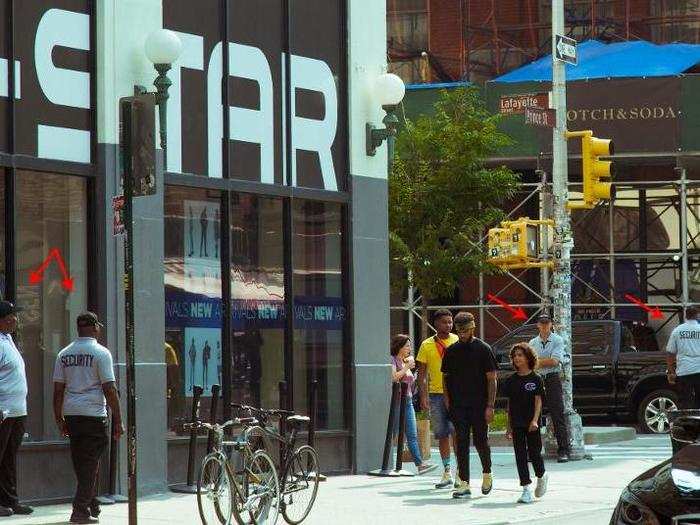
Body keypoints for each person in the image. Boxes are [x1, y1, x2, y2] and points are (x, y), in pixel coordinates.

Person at [53, 312, 124, 524]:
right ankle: (80, 510)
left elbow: (58, 391)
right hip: (93, 415)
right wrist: (118, 420)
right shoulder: (102, 353)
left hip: (73, 414)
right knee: (90, 464)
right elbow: (110, 389)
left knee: (83, 463)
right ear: (94, 328)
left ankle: (91, 503)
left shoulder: (64, 354)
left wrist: (59, 419)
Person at [441, 311, 497, 498]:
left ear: (472, 328)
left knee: (481, 441)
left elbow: (492, 379)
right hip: (458, 405)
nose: (462, 334)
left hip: (479, 404)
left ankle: (487, 473)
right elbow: (445, 377)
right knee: (462, 442)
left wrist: (490, 405)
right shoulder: (451, 351)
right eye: (460, 331)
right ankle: (464, 483)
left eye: (465, 330)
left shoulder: (483, 349)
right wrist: (447, 400)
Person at [416, 309, 459, 488]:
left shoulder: (457, 340)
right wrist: (423, 396)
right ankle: (447, 471)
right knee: (442, 434)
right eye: (444, 322)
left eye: (450, 322)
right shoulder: (426, 345)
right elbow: (422, 374)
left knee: (458, 432)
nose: (448, 325)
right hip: (436, 394)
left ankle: (461, 472)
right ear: (436, 324)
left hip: (457, 393)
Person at [504, 343, 548, 504]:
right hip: (517, 423)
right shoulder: (510, 381)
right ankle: (525, 489)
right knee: (520, 456)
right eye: (514, 355)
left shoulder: (536, 379)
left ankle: (542, 475)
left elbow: (538, 401)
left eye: (520, 355)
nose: (517, 358)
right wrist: (508, 427)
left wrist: (535, 420)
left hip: (532, 423)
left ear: (528, 357)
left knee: (535, 454)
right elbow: (509, 405)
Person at [0, 301, 32, 516]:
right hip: (3, 411)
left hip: (18, 410)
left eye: (15, 316)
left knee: (9, 459)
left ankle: (10, 500)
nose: (15, 319)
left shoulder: (8, 339)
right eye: (10, 316)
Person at [390, 334, 435, 475]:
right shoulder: (392, 360)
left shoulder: (405, 361)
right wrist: (407, 367)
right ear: (399, 346)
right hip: (396, 401)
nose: (410, 348)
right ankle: (385, 462)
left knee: (412, 434)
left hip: (408, 400)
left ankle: (420, 464)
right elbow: (394, 378)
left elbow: (409, 381)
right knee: (393, 433)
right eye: (407, 346)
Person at [529, 313, 571, 463]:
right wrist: (539, 362)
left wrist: (537, 361)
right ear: (538, 325)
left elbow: (554, 361)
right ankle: (534, 451)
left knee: (557, 414)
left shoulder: (558, 340)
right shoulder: (533, 342)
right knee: (534, 416)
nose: (545, 326)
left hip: (552, 378)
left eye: (547, 323)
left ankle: (563, 450)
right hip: (537, 379)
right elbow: (530, 363)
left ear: (551, 324)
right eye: (542, 323)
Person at [667, 306, 700, 408]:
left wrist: (671, 371)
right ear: (697, 315)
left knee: (685, 401)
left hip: (684, 371)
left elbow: (670, 353)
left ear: (686, 316)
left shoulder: (677, 331)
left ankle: (687, 422)